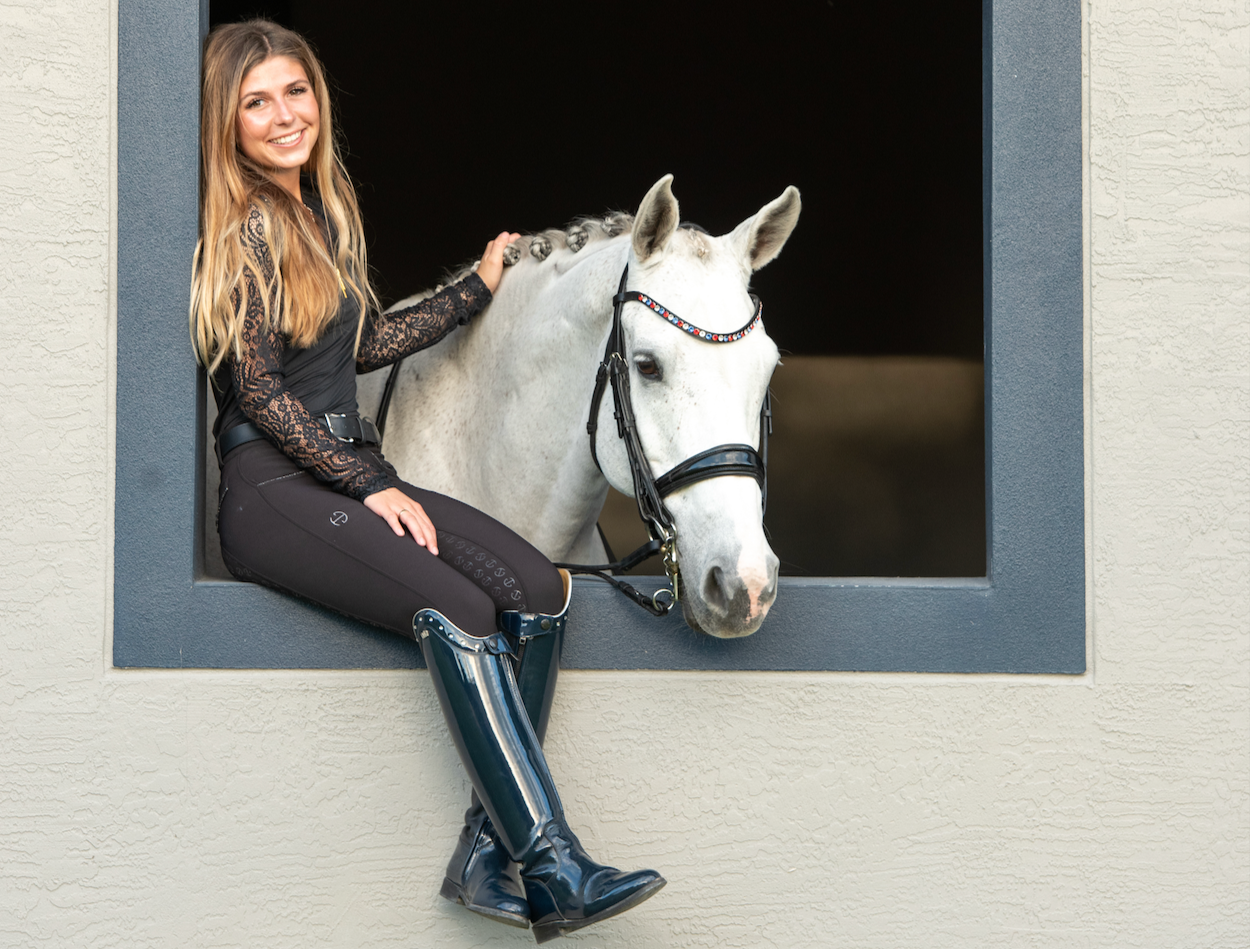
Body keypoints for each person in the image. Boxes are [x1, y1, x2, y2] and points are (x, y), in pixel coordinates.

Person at [190, 20, 664, 943]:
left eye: (297, 92)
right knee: (463, 608)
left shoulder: (320, 216)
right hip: (271, 488)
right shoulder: (244, 224)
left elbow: (356, 347)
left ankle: (486, 859)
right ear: (228, 124)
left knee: (539, 588)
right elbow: (259, 389)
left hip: (329, 475)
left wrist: (473, 294)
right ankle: (550, 861)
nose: (286, 115)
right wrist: (369, 482)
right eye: (258, 103)